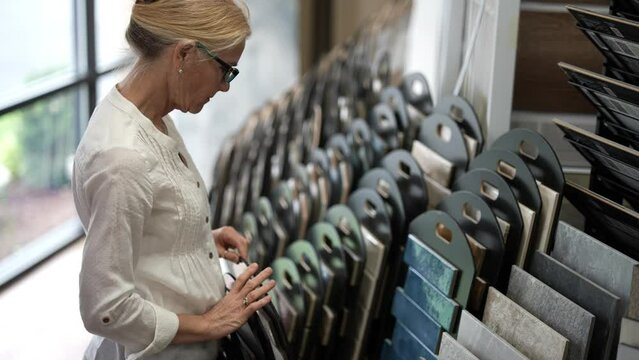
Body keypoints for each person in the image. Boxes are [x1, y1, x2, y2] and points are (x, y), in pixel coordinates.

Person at [72, 0, 276, 359]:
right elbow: (105, 308)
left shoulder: (151, 116)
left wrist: (197, 238)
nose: (226, 86)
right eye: (226, 70)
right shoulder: (122, 158)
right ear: (183, 55)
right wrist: (213, 323)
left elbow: (138, 232)